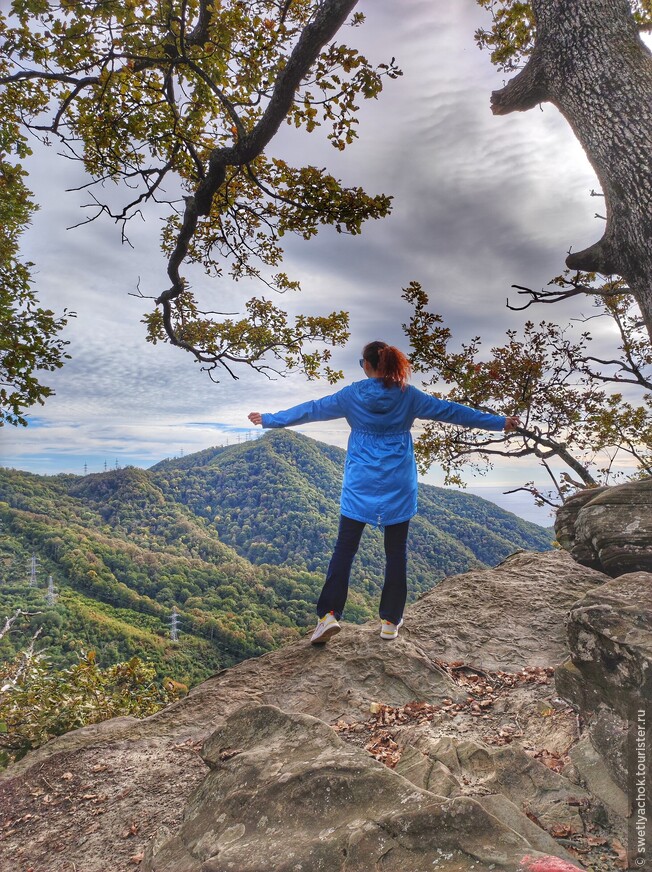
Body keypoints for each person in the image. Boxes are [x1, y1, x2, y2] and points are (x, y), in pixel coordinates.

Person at [248, 341, 520, 645]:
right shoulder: (408, 396)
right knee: (396, 553)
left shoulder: (352, 395)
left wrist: (271, 419)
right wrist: (499, 422)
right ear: (390, 364)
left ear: (366, 365)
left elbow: (313, 409)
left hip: (360, 483)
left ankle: (328, 616)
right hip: (397, 483)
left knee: (344, 550)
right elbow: (451, 412)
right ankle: (390, 621)